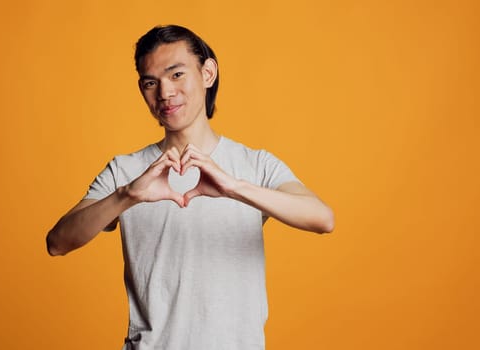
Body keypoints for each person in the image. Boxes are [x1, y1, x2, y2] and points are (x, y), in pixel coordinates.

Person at [46, 24, 334, 350]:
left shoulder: (255, 165)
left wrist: (234, 188)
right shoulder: (126, 172)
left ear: (208, 72)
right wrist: (128, 195)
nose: (165, 93)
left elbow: (322, 219)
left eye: (177, 74)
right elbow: (58, 242)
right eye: (150, 82)